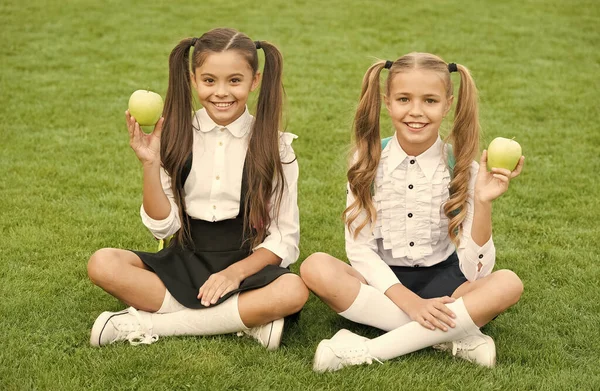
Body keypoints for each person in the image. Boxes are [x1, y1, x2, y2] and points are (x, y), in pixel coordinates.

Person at [300, 53, 525, 371]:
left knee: (508, 284)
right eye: (404, 99)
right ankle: (453, 336)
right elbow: (359, 251)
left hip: (447, 281)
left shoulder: (462, 167)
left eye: (430, 101)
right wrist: (411, 304)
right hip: (381, 281)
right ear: (387, 102)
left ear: (447, 105)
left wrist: (484, 201)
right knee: (315, 267)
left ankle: (363, 350)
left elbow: (477, 273)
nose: (416, 112)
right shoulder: (365, 161)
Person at [87, 28, 307, 351]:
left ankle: (147, 324)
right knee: (102, 264)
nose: (221, 92)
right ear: (193, 78)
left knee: (294, 290)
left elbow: (285, 238)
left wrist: (234, 274)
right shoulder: (177, 136)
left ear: (255, 81)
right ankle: (243, 321)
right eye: (209, 81)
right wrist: (150, 164)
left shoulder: (277, 147)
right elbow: (164, 225)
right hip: (185, 260)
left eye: (235, 81)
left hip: (247, 265)